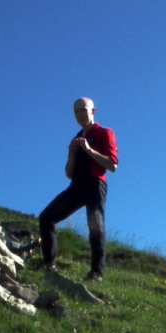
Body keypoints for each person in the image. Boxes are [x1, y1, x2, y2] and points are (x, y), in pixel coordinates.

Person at [38, 97, 118, 281]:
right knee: (46, 218)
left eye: (84, 110)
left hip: (95, 184)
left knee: (96, 227)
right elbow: (68, 173)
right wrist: (73, 155)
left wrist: (89, 150)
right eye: (76, 111)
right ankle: (49, 265)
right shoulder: (76, 138)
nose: (80, 114)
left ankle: (96, 273)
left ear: (93, 111)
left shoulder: (105, 133)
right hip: (76, 186)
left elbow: (112, 165)